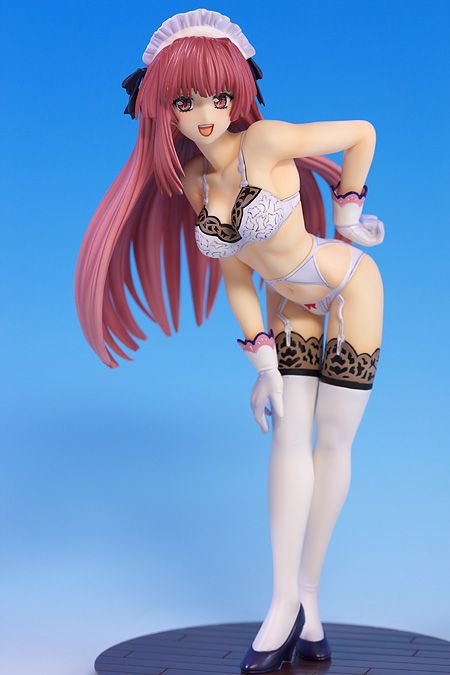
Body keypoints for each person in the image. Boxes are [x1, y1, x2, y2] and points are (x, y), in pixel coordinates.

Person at [74, 8, 384, 673]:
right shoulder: (196, 181)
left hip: (347, 285)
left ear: (239, 93)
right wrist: (264, 364)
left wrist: (348, 215)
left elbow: (362, 133)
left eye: (218, 96)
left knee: (332, 442)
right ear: (161, 109)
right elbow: (236, 272)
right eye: (184, 102)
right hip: (286, 304)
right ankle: (285, 603)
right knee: (288, 436)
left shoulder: (266, 142)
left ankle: (309, 598)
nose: (205, 113)